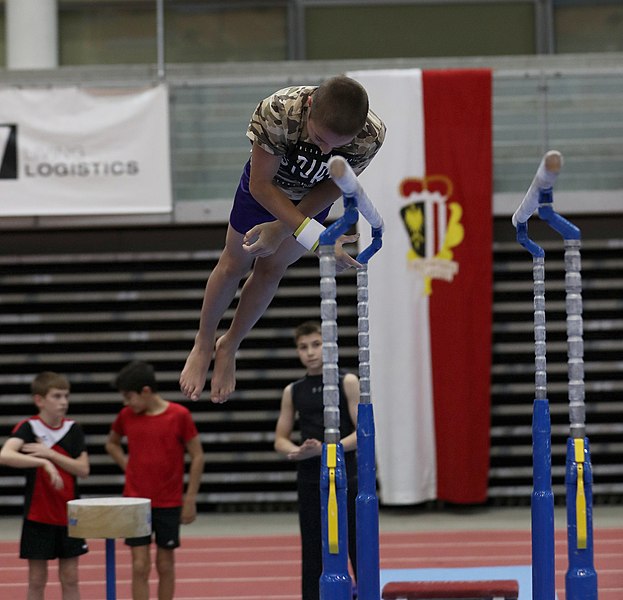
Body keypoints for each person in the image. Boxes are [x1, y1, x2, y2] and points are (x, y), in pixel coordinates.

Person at [179, 75, 386, 404]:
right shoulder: (278, 111)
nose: (325, 150)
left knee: (272, 269)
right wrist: (315, 237)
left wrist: (288, 227)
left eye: (336, 145)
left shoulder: (370, 136)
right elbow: (261, 186)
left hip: (310, 200)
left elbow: (335, 184)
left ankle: (229, 344)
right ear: (308, 107)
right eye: (319, 138)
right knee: (234, 263)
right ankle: (204, 342)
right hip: (266, 190)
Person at [105, 361, 205, 600]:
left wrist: (189, 497)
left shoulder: (179, 415)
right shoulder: (126, 416)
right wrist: (128, 466)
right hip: (135, 502)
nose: (126, 402)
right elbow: (111, 443)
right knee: (139, 565)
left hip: (168, 502)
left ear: (146, 391)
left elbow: (198, 455)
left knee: (165, 563)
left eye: (129, 397)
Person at [274, 321, 359, 600]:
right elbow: (280, 439)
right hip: (310, 476)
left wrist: (326, 450)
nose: (310, 352)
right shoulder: (293, 391)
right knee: (312, 547)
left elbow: (362, 435)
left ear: (328, 345)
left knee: (354, 543)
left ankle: (364, 592)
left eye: (316, 344)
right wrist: (297, 450)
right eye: (303, 347)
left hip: (345, 474)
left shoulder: (347, 381)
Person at [0, 371, 90, 600]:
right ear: (39, 400)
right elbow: (5, 455)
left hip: (69, 515)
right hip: (38, 516)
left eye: (66, 396)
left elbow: (83, 469)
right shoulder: (29, 428)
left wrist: (50, 454)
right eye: (57, 396)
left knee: (70, 577)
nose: (63, 402)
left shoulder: (73, 429)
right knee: (37, 580)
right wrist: (43, 462)